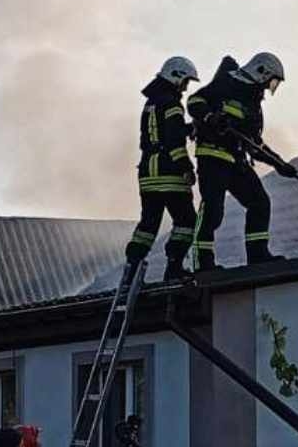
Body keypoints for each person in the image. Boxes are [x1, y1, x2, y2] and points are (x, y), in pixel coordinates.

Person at [187, 51, 289, 270]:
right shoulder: (226, 82)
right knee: (213, 209)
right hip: (213, 156)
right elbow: (194, 101)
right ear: (261, 71)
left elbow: (255, 144)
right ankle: (203, 263)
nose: (269, 87)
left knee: (260, 202)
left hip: (236, 160)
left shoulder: (253, 103)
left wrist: (279, 163)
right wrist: (211, 117)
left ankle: (258, 255)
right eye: (271, 80)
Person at [124, 55, 202, 280]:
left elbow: (159, 133)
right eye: (185, 81)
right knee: (186, 220)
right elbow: (174, 140)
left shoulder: (151, 103)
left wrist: (189, 129)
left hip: (148, 170)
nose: (186, 88)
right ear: (175, 76)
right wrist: (186, 167)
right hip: (168, 171)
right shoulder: (172, 103)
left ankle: (132, 268)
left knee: (148, 223)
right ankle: (174, 266)